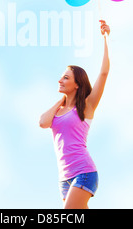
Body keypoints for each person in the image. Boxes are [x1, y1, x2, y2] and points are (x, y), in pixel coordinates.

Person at [39, 19, 110, 209]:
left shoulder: (86, 107)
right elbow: (43, 123)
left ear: (77, 84)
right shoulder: (58, 110)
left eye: (66, 78)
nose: (60, 80)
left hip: (84, 172)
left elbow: (103, 74)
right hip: (64, 179)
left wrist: (105, 38)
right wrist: (61, 101)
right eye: (61, 77)